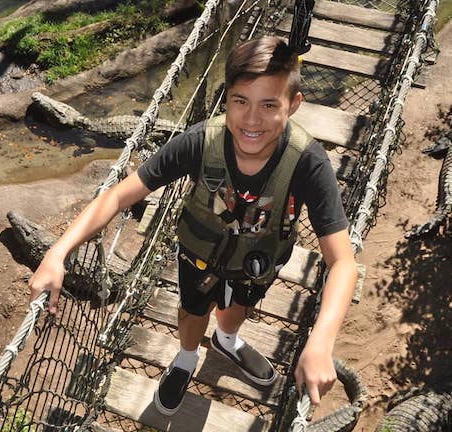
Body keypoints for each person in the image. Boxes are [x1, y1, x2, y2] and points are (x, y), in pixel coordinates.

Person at [27, 35, 358, 416]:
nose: (252, 119)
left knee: (239, 307)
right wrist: (58, 252)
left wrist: (320, 341)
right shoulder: (201, 142)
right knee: (192, 310)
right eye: (241, 101)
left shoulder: (308, 163)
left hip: (258, 259)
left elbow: (342, 262)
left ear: (294, 105)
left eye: (269, 105)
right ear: (227, 98)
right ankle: (185, 358)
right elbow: (119, 196)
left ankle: (227, 340)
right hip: (199, 255)